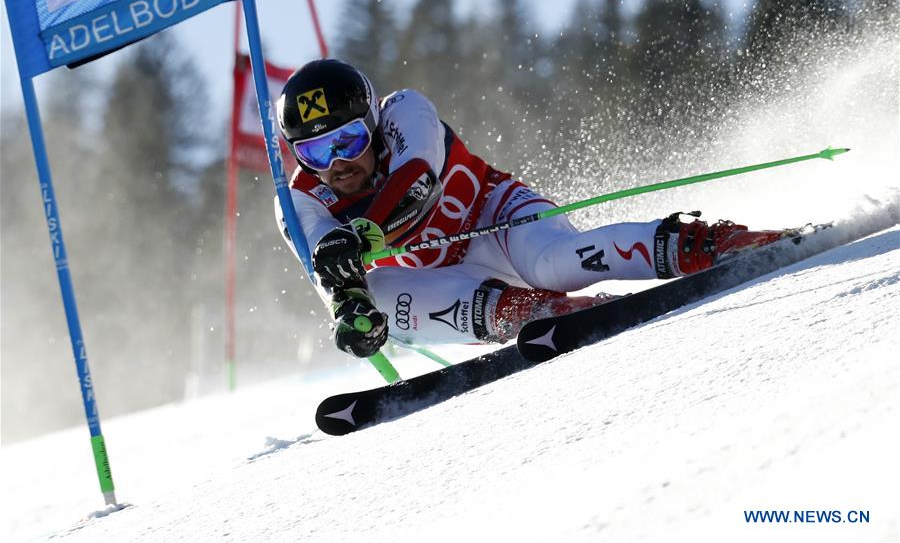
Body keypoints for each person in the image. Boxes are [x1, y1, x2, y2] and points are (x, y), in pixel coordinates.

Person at [274, 59, 785, 358]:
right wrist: (351, 310)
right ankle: (536, 313)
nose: (337, 164)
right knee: (380, 294)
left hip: (498, 219)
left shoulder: (404, 111)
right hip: (446, 281)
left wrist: (361, 235)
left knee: (553, 264)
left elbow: (418, 182)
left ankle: (710, 243)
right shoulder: (299, 199)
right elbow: (328, 270)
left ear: (371, 121)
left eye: (348, 140)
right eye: (315, 152)